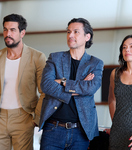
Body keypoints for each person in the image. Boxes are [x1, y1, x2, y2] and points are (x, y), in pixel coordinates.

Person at [0, 14, 46, 150]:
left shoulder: (37, 57)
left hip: (24, 117)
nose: (7, 34)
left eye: (12, 30)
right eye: (5, 29)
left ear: (22, 33)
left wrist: (36, 119)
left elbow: (44, 92)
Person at [39, 18, 104, 150]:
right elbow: (46, 85)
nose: (70, 35)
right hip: (53, 129)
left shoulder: (95, 63)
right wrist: (79, 87)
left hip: (80, 132)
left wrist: (62, 82)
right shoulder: (55, 58)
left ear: (87, 36)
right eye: (68, 32)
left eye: (76, 32)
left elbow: (90, 88)